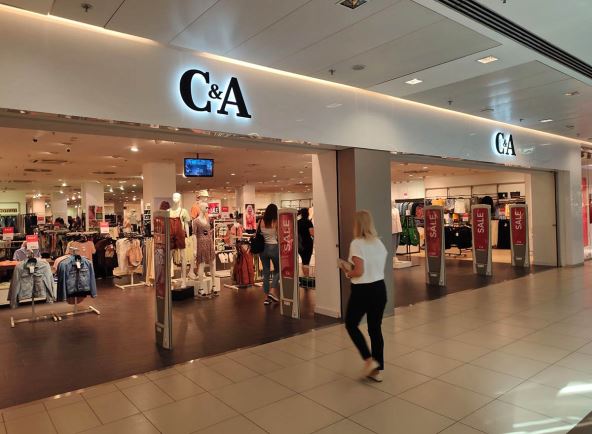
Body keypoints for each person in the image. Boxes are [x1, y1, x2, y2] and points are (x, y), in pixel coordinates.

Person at [342, 210, 388, 382]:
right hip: (380, 289)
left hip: (362, 291)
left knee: (351, 324)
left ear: (357, 225)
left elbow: (359, 271)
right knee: (375, 329)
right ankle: (377, 369)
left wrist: (348, 272)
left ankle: (369, 361)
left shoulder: (357, 243)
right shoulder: (379, 243)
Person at [259, 204, 279, 305]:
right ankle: (272, 291)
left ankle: (267, 298)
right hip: (274, 247)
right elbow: (279, 235)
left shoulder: (261, 221)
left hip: (263, 249)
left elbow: (258, 234)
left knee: (266, 273)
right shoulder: (276, 221)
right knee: (278, 270)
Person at [298, 208, 314, 277]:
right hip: (308, 244)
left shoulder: (298, 222)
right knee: (306, 262)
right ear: (307, 213)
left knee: (303, 261)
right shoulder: (308, 222)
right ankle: (306, 278)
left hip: (300, 244)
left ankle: (304, 277)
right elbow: (312, 233)